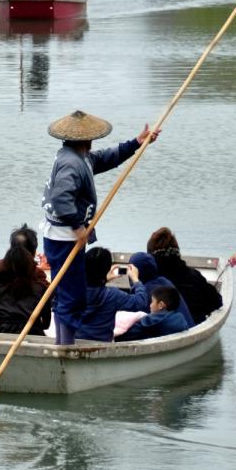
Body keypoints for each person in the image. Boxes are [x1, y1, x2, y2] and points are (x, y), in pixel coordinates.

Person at [39, 110, 160, 344]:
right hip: (64, 237)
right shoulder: (71, 163)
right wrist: (78, 228)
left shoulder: (77, 155)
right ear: (86, 140)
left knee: (71, 296)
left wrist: (136, 143)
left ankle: (64, 343)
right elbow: (61, 198)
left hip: (65, 236)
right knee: (71, 298)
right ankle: (64, 346)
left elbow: (104, 158)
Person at [146, 227, 224, 323]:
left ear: (150, 256)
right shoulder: (194, 276)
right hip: (195, 327)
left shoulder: (149, 280)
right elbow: (217, 302)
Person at [75, 247, 149, 342]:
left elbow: (91, 289)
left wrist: (104, 279)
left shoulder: (73, 293)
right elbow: (141, 302)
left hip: (75, 343)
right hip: (102, 346)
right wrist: (136, 280)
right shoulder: (113, 295)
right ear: (107, 269)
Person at [0, 243, 52, 335]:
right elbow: (46, 324)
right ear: (30, 266)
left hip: (2, 332)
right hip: (32, 333)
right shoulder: (40, 289)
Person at [0, 224, 39, 312]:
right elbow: (46, 300)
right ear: (32, 252)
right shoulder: (36, 272)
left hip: (0, 321)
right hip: (29, 321)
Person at [128, 251, 194, 328]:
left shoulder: (144, 292)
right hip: (188, 331)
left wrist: (136, 283)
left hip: (171, 338)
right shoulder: (165, 282)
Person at [116, 286, 189, 342]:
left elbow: (124, 335)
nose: (150, 305)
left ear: (160, 305)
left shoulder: (152, 323)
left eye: (152, 301)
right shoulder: (178, 319)